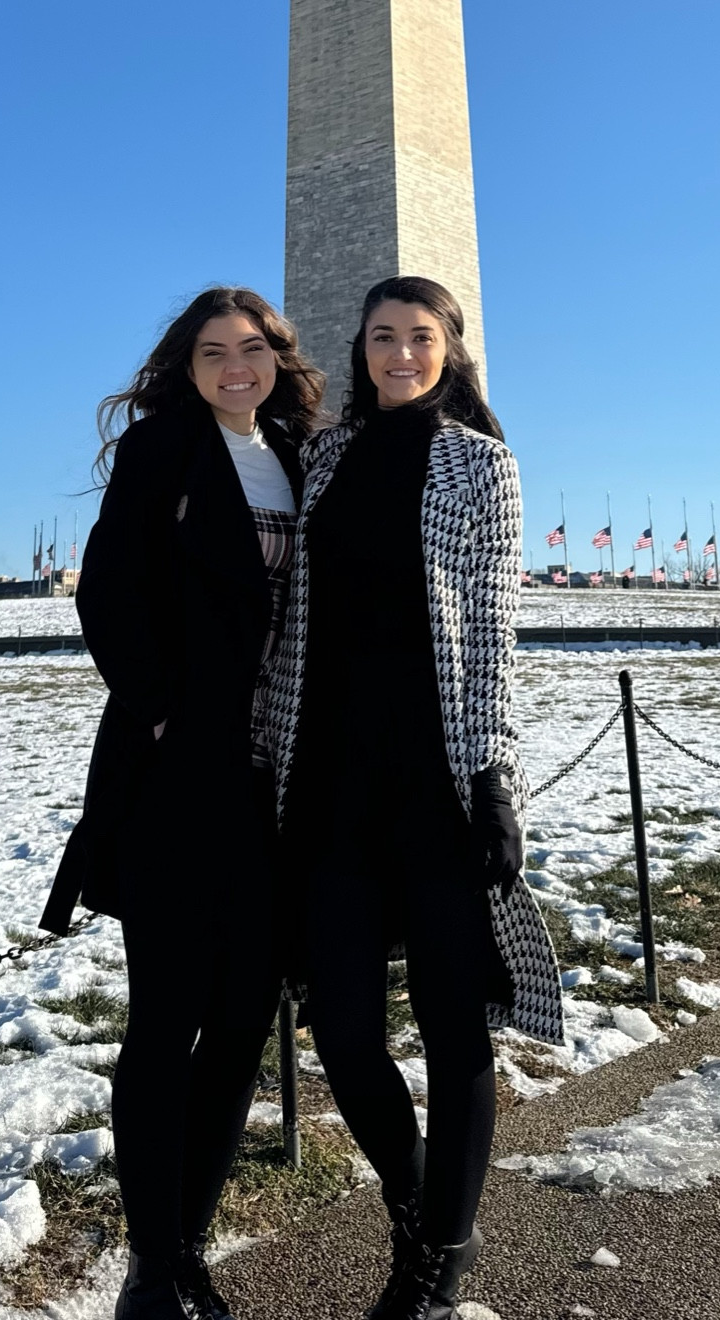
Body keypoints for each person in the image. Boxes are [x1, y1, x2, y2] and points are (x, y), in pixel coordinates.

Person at [257, 275, 565, 1320]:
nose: (399, 353)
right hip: (328, 777)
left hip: (436, 778)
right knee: (342, 1028)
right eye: (382, 335)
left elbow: (492, 631)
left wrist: (495, 776)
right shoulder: (325, 455)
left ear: (450, 348)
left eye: (419, 336)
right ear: (359, 347)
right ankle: (415, 1196)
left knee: (451, 1026)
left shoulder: (483, 464)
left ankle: (444, 1253)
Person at [41, 287, 324, 1320]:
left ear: (277, 358)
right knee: (166, 1020)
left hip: (274, 778)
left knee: (244, 1020)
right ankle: (150, 1265)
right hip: (177, 777)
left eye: (251, 348)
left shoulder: (296, 453)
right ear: (186, 364)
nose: (234, 367)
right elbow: (107, 590)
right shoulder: (162, 448)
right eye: (213, 352)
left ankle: (191, 1244)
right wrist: (163, 712)